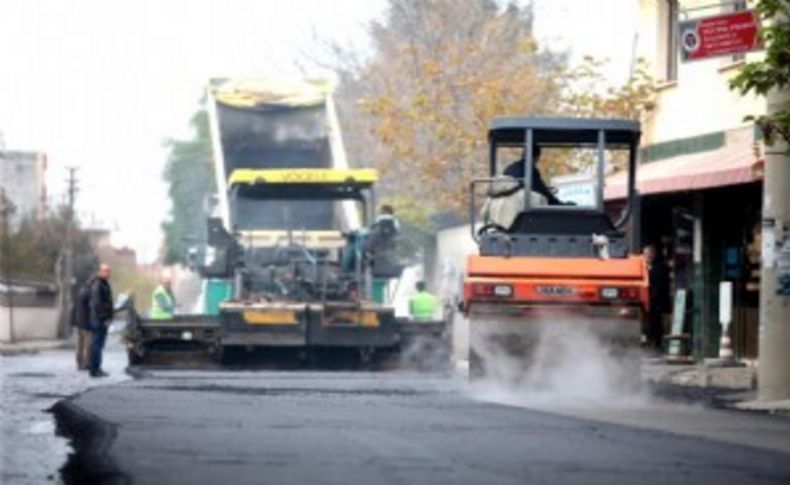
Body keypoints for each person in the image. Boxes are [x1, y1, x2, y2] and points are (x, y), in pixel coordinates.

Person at [88, 263, 113, 378]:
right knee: (96, 345)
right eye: (105, 271)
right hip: (98, 320)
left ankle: (96, 368)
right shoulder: (99, 285)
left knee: (98, 345)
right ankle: (95, 369)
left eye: (108, 271)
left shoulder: (103, 284)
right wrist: (104, 318)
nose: (107, 273)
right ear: (100, 272)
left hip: (99, 319)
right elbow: (97, 304)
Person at [644, 245, 670, 351]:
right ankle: (649, 340)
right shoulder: (642, 266)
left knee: (656, 322)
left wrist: (654, 296)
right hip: (646, 299)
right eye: (646, 254)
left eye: (650, 254)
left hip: (657, 300)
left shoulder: (660, 267)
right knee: (648, 322)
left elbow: (661, 285)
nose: (648, 256)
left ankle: (656, 343)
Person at [70, 276, 94, 370]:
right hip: (86, 324)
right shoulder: (90, 294)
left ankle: (79, 363)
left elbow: (74, 308)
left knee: (79, 345)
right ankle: (86, 364)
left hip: (79, 323)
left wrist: (72, 322)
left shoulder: (80, 292)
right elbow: (91, 310)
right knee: (87, 345)